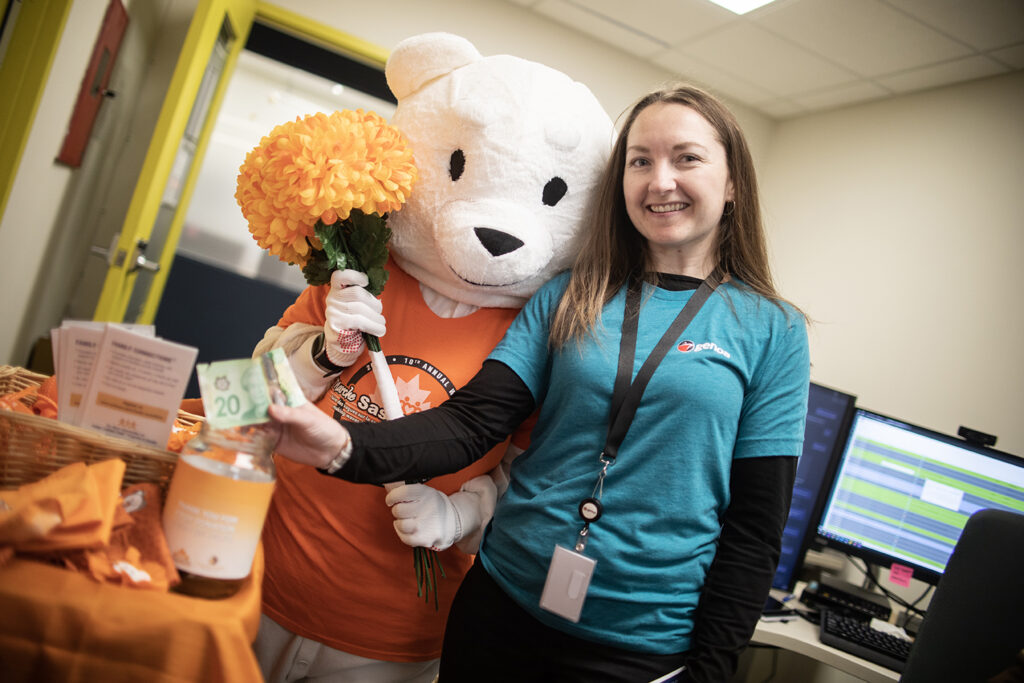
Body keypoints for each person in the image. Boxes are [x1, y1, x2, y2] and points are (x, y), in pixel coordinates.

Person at [267, 83, 811, 683]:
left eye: (687, 158)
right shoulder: (568, 296)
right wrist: (343, 448)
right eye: (640, 160)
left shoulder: (772, 330)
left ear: (733, 182)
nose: (660, 180)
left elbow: (756, 529)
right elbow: (471, 423)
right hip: (502, 606)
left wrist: (711, 670)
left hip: (640, 643)